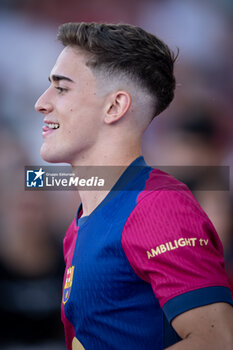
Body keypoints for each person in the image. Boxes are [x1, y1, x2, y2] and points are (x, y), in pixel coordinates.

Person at [35, 22, 233, 350]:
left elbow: (218, 341)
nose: (41, 103)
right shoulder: (85, 219)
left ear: (115, 107)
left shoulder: (158, 205)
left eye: (62, 88)